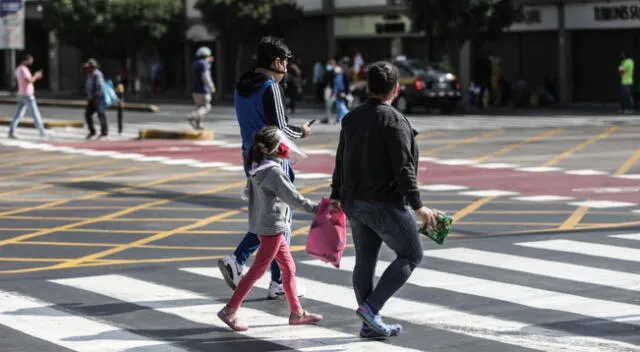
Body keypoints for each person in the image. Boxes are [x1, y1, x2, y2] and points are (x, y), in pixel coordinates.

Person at [330, 61, 438, 338]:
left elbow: (341, 159)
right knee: (412, 254)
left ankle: (370, 321)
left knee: (365, 260)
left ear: (368, 87)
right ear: (396, 89)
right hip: (383, 203)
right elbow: (403, 168)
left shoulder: (352, 118)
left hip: (353, 201)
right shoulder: (394, 120)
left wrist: (335, 194)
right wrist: (418, 205)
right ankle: (371, 308)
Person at [217, 36, 312, 299]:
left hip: (250, 158)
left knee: (265, 216)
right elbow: (281, 126)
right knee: (279, 220)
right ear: (277, 62)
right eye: (285, 63)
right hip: (274, 159)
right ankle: (274, 279)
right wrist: (302, 132)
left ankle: (244, 264)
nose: (286, 69)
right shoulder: (270, 87)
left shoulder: (240, 87)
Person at [217, 126, 323, 331]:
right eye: (284, 143)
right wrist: (317, 209)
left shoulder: (259, 166)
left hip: (263, 225)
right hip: (272, 228)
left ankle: (296, 313)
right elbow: (292, 197)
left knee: (289, 267)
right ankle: (229, 310)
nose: (287, 146)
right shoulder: (273, 172)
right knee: (257, 270)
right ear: (276, 148)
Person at [8, 54, 46, 140]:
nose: (31, 61)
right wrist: (36, 76)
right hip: (27, 94)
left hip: (21, 93)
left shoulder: (18, 69)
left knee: (18, 114)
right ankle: (42, 132)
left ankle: (11, 131)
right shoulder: (23, 69)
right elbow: (28, 81)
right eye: (30, 60)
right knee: (35, 114)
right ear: (25, 60)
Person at [187, 47, 215, 130]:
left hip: (195, 90)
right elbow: (206, 77)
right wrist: (211, 87)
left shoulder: (195, 64)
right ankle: (192, 116)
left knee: (199, 107)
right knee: (207, 106)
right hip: (203, 89)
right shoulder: (204, 64)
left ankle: (199, 125)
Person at [84, 58, 108, 140]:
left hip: (98, 98)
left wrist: (96, 96)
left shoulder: (97, 74)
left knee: (101, 114)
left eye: (89, 67)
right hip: (92, 98)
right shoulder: (90, 74)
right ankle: (92, 131)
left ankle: (104, 132)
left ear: (93, 67)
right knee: (88, 114)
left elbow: (100, 86)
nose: (87, 69)